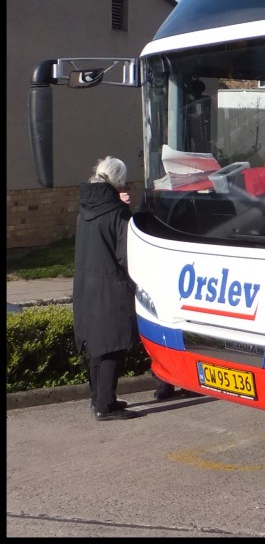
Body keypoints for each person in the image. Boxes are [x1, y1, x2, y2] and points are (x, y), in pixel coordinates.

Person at [74, 156, 183, 421]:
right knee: (112, 345)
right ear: (118, 180)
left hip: (86, 286)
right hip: (111, 286)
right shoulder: (117, 213)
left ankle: (98, 399)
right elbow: (126, 255)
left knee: (97, 345)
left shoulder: (86, 209)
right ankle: (105, 406)